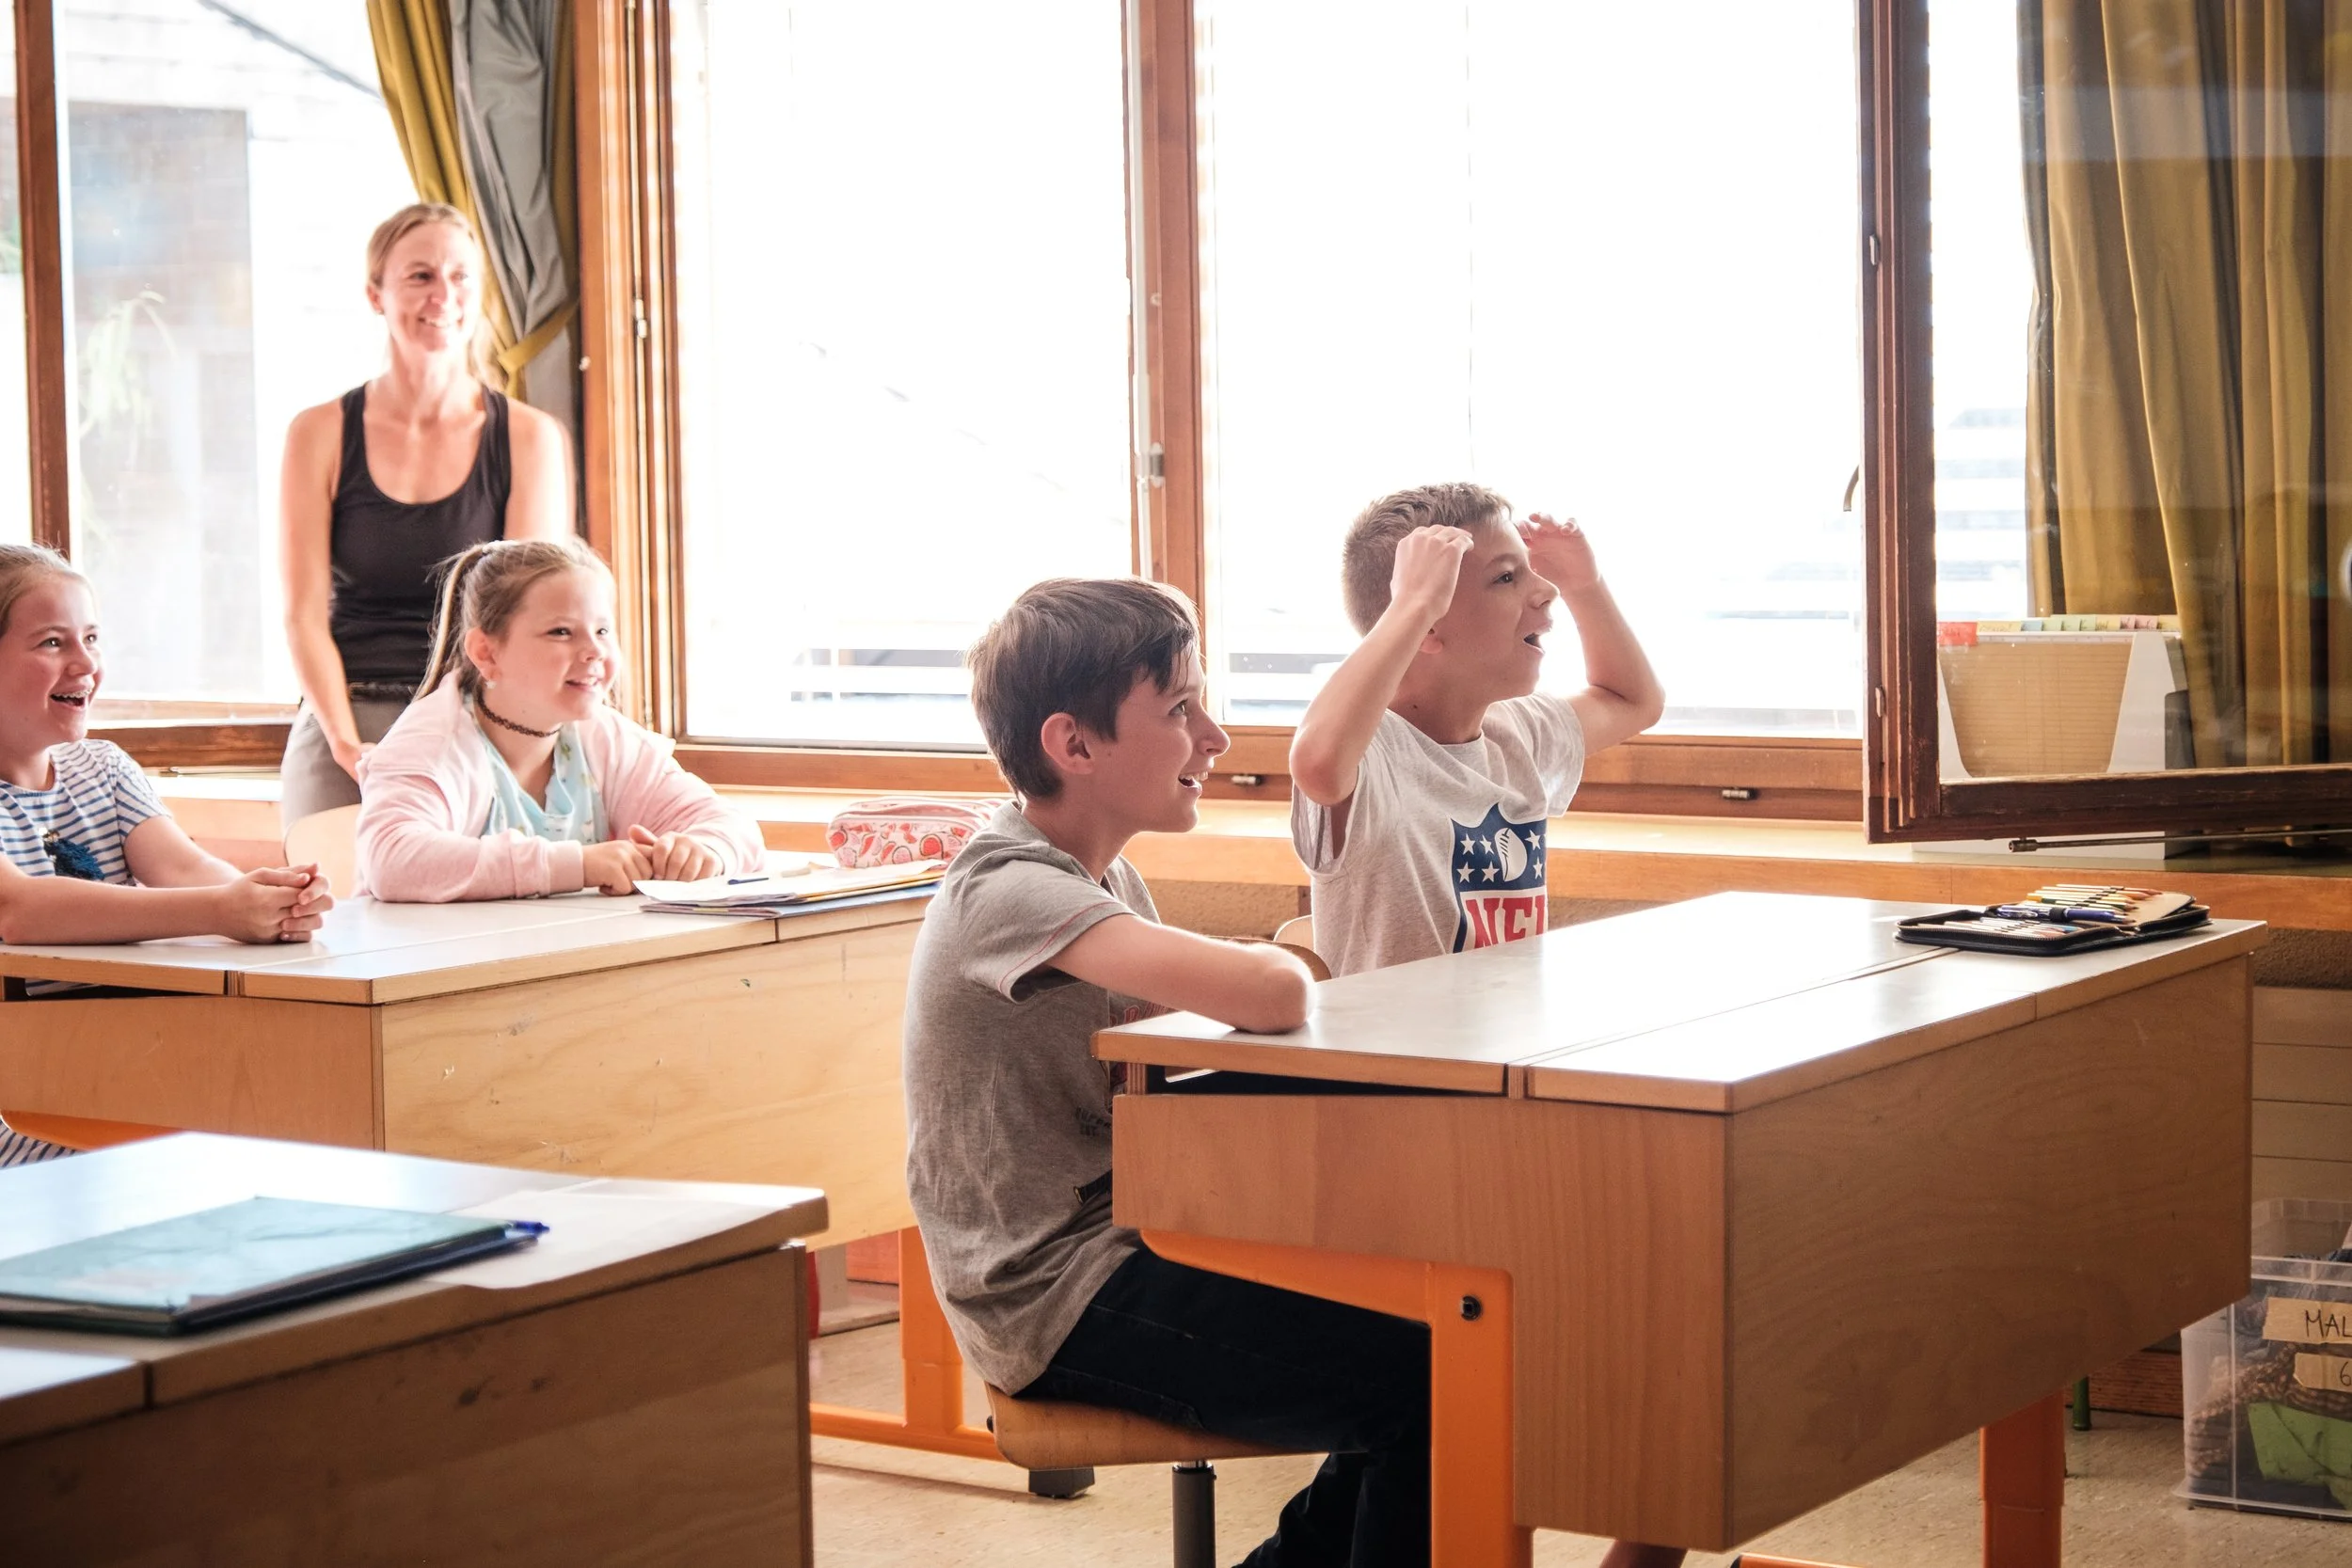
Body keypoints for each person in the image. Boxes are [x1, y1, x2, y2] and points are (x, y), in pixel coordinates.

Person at [904, 576, 1433, 1568]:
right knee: (1428, 1381)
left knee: (1436, 1345)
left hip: (1125, 1238)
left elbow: (1210, 999)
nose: (1214, 736)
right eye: (1181, 707)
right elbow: (1270, 993)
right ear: (1074, 744)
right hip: (1050, 1291)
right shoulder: (1010, 888)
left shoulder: (1102, 879)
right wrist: (1275, 957)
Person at [1289, 483, 1677, 1568]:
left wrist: (1587, 583)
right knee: (1611, 1314)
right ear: (1425, 629)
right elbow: (1319, 757)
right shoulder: (1369, 763)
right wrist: (1404, 606)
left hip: (1512, 1103)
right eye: (1506, 579)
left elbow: (1632, 696)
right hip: (1401, 1130)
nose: (1537, 592)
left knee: (1685, 1292)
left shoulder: (1514, 740)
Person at [0, 544, 333, 1167]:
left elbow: (185, 868)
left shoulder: (103, 768)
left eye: (91, 638)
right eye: (51, 643)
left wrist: (267, 896)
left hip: (133, 1063)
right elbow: (17, 909)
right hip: (20, 1097)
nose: (84, 664)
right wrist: (222, 908)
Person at [278, 201, 572, 830]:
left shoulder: (528, 436)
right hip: (345, 718)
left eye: (461, 277)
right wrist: (345, 744)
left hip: (476, 716)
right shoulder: (318, 433)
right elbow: (303, 614)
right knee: (328, 906)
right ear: (374, 295)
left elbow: (538, 617)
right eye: (420, 276)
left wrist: (466, 739)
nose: (444, 295)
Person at [355, 538, 763, 901]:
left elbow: (736, 830)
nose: (594, 652)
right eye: (562, 632)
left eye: (603, 631)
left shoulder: (606, 738)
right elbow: (392, 860)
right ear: (486, 653)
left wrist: (705, 851)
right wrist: (578, 866)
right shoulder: (432, 740)